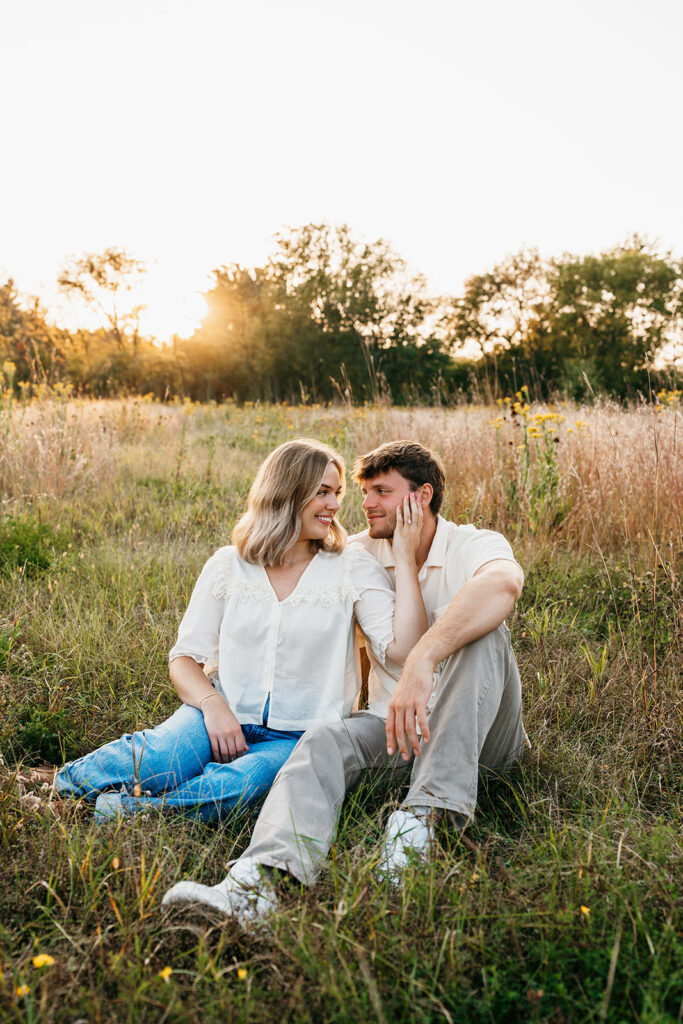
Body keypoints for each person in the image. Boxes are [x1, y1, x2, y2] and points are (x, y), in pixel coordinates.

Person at [164, 440, 527, 922]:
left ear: (421, 496)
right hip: (396, 731)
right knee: (321, 741)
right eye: (363, 492)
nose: (365, 504)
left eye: (380, 491)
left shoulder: (472, 544)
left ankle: (421, 822)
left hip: (484, 741)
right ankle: (258, 884)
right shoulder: (355, 553)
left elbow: (503, 585)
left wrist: (423, 661)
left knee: (485, 635)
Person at [53, 438, 428, 825]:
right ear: (286, 494)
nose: (335, 505)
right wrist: (214, 707)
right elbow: (183, 659)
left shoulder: (351, 566)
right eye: (322, 493)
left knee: (244, 784)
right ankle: (55, 787)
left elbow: (404, 648)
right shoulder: (228, 565)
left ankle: (128, 813)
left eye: (336, 493)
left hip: (298, 736)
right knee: (160, 758)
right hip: (218, 714)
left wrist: (404, 558)